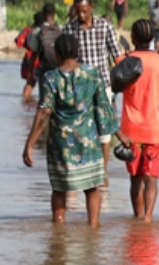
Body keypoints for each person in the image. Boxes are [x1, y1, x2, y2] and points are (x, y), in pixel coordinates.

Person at [22, 33, 120, 227]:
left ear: (57, 54)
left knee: (59, 189)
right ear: (78, 52)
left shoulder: (51, 77)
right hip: (88, 142)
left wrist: (30, 144)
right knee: (92, 188)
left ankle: (58, 230)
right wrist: (120, 135)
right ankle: (93, 229)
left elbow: (44, 113)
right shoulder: (93, 74)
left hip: (61, 143)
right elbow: (104, 107)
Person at [119, 19, 159, 222]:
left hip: (130, 132)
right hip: (155, 131)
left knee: (135, 179)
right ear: (154, 39)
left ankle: (137, 218)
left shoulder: (124, 62)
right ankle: (147, 220)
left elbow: (112, 89)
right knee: (151, 179)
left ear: (133, 38)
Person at [63, 0, 123, 185]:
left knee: (104, 131)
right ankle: (80, 168)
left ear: (92, 8)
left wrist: (123, 82)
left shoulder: (104, 27)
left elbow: (116, 53)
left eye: (84, 11)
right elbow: (65, 59)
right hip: (78, 87)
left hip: (103, 85)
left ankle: (101, 172)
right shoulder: (70, 29)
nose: (81, 15)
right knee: (78, 129)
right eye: (78, 11)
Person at [15, 11, 44, 99]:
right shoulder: (44, 31)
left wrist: (27, 46)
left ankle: (25, 101)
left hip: (28, 57)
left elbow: (18, 41)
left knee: (30, 82)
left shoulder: (27, 30)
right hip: (40, 59)